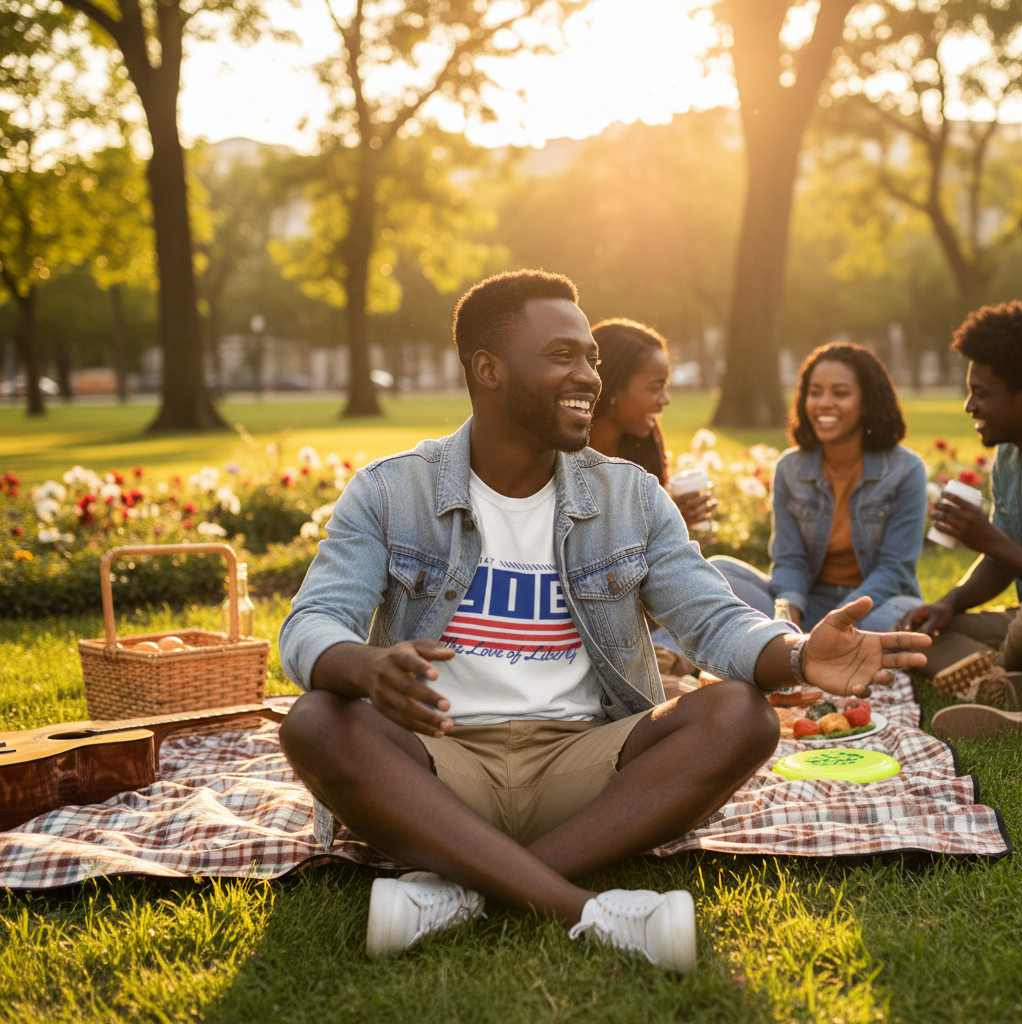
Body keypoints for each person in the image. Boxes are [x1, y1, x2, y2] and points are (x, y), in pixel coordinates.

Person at [277, 271, 929, 972]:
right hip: (437, 763)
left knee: (741, 716)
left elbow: (712, 620)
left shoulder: (629, 496)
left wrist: (798, 655)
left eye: (589, 356)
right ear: (488, 370)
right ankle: (582, 908)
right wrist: (364, 667)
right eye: (562, 356)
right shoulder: (389, 490)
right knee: (315, 721)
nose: (588, 376)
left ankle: (463, 888)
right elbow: (312, 624)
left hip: (585, 763)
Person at [709, 342, 928, 633]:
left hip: (873, 606)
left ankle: (817, 646)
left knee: (901, 617)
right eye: (815, 393)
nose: (824, 403)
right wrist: (789, 615)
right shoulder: (791, 469)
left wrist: (837, 620)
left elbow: (895, 571)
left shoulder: (905, 470)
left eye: (840, 393)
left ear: (867, 403)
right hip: (808, 603)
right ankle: (675, 653)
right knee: (718, 572)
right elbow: (790, 560)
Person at [896, 302, 1022, 740]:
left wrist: (987, 537)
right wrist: (949, 603)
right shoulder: (1008, 458)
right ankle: (1003, 684)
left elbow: (1000, 548)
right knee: (921, 636)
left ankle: (1000, 682)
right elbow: (1002, 562)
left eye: (983, 394)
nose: (970, 405)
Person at [587, 318, 716, 531]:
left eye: (665, 387)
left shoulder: (642, 445)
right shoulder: (562, 456)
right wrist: (662, 523)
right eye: (655, 388)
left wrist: (676, 518)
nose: (666, 399)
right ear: (613, 388)